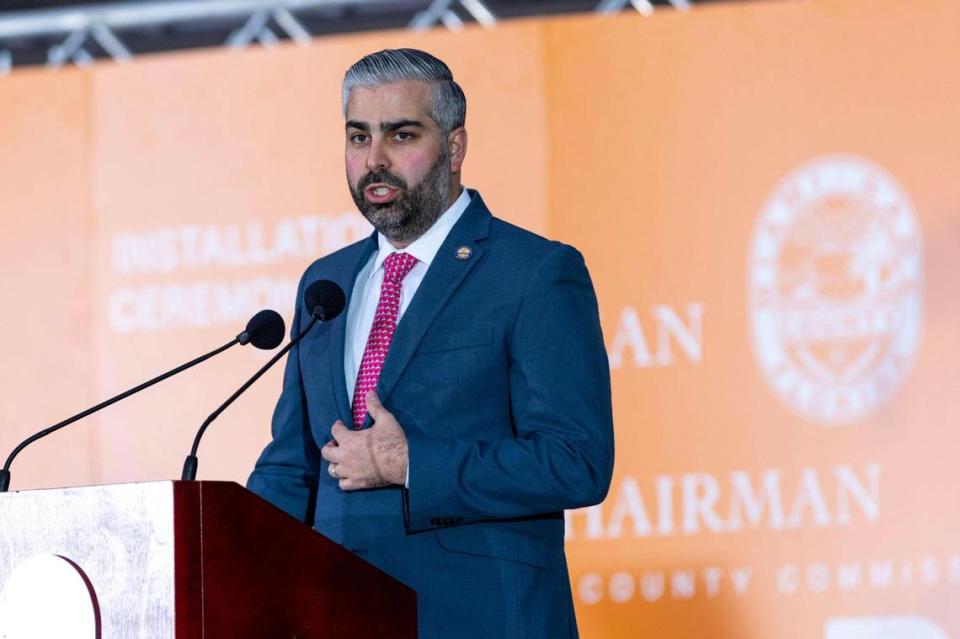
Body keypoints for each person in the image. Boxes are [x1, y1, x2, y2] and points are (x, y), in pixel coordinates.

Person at [247, 48, 614, 639]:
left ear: (455, 146)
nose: (375, 161)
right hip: (336, 613)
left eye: (402, 135)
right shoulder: (327, 283)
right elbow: (294, 467)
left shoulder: (534, 272)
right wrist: (215, 546)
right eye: (358, 136)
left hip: (480, 615)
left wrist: (411, 464)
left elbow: (577, 462)